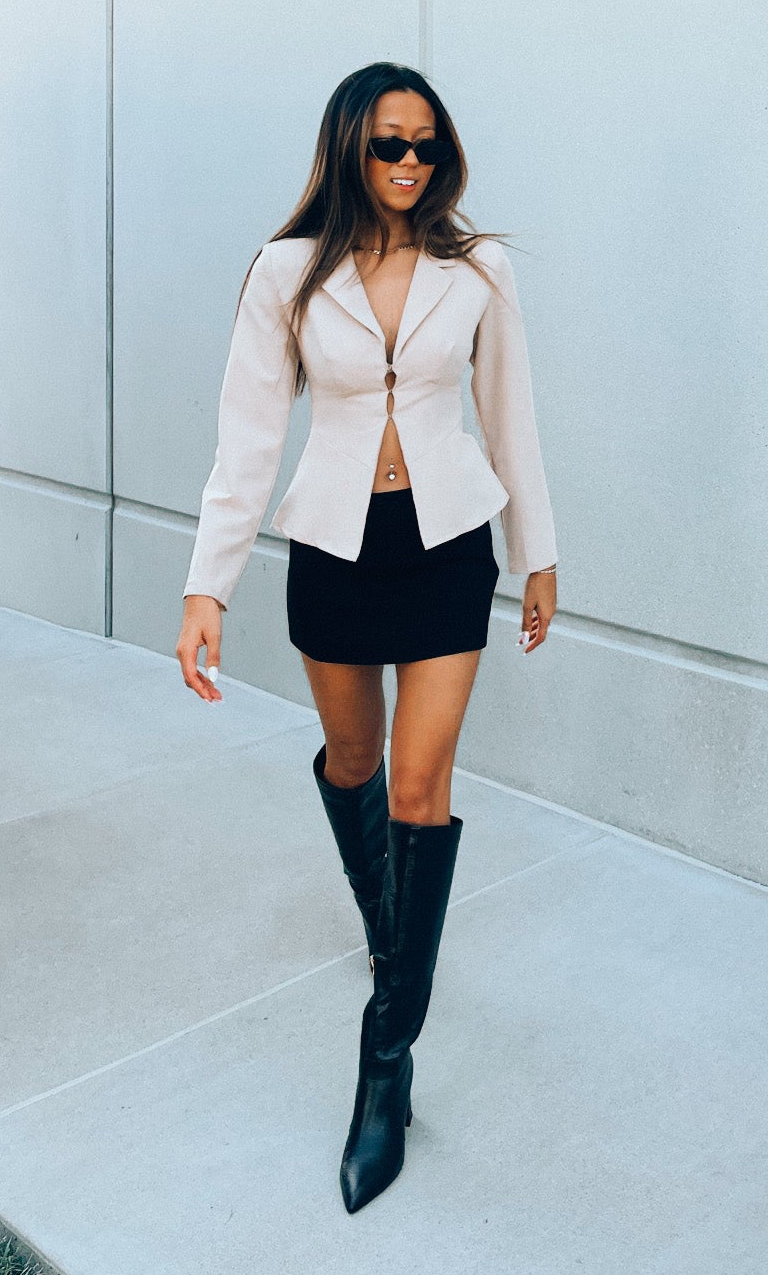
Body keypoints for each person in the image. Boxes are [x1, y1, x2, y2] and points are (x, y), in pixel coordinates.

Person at [173, 60, 558, 1213]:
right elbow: (247, 435)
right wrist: (208, 585)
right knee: (354, 763)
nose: (407, 164)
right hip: (334, 554)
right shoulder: (287, 272)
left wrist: (537, 553)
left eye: (426, 147)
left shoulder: (474, 270)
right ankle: (390, 933)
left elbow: (510, 414)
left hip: (447, 549)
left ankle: (384, 1060)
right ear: (349, 146)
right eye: (388, 144)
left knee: (418, 784)